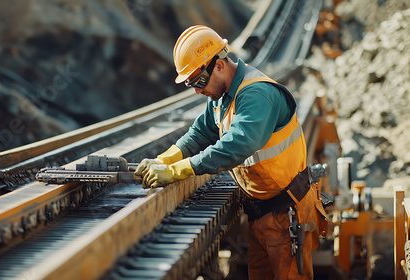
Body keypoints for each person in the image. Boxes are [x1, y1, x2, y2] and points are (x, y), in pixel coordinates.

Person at [134, 25, 328, 279]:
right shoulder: (221, 96)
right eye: (191, 83)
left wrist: (176, 171)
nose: (197, 89)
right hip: (262, 215)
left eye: (199, 80)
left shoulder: (256, 94)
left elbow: (236, 146)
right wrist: (163, 160)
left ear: (220, 65)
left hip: (286, 216)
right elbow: (201, 133)